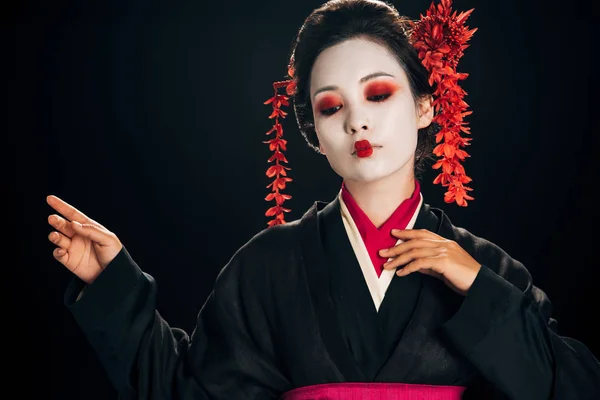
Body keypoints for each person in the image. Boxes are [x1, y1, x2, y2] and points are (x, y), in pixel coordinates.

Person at [46, 0, 600, 399]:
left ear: (426, 107)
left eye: (379, 93)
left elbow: (570, 386)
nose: (356, 119)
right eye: (331, 107)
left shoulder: (489, 270)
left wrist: (476, 287)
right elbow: (186, 391)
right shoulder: (268, 267)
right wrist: (112, 284)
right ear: (314, 132)